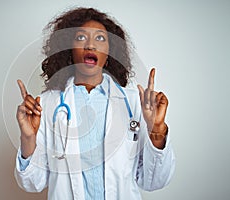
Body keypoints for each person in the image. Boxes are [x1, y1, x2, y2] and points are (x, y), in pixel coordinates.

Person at [14, 7, 175, 200]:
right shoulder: (48, 105)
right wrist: (28, 138)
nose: (90, 45)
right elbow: (33, 183)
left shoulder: (135, 103)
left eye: (100, 38)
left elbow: (154, 181)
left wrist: (156, 129)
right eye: (81, 38)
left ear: (110, 52)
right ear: (69, 49)